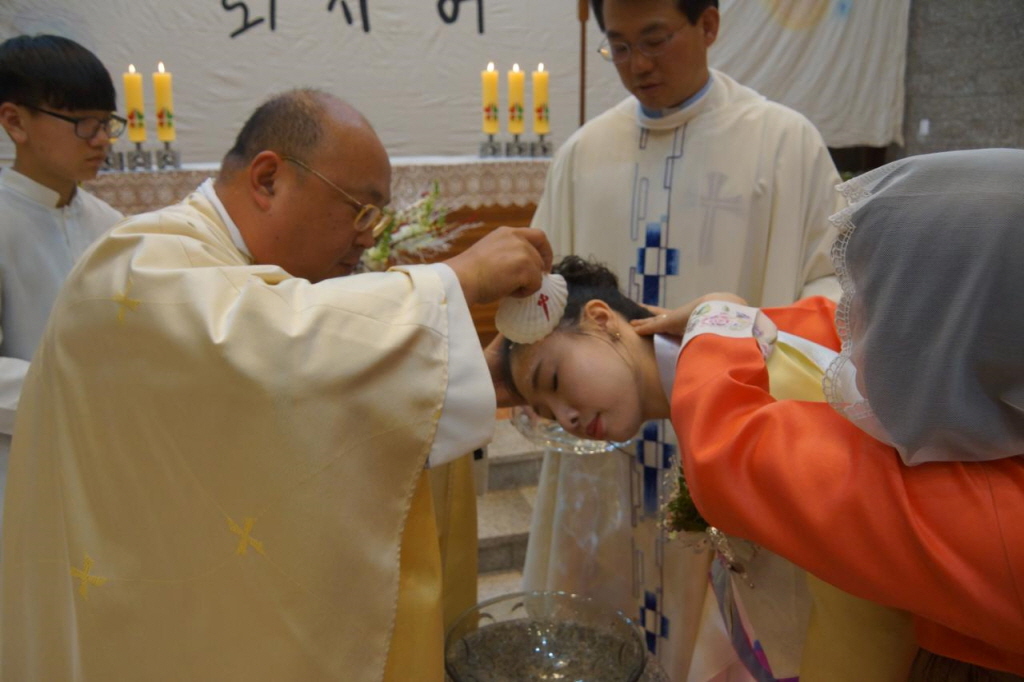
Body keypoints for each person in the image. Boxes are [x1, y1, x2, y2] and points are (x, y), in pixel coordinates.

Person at [0, 88, 552, 682]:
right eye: (359, 209)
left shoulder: (224, 270)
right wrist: (453, 280)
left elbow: (277, 388)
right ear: (268, 179)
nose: (369, 237)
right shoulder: (135, 264)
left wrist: (477, 379)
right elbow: (264, 340)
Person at [503, 149, 1024, 678]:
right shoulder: (980, 423)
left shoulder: (973, 507)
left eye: (554, 382)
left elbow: (730, 460)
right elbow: (829, 325)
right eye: (546, 412)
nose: (565, 418)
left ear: (601, 319)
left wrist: (717, 315)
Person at [524, 0, 845, 677]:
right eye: (618, 45)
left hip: (734, 464)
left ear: (709, 25)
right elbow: (538, 313)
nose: (637, 65)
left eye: (655, 39)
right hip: (606, 472)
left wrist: (732, 332)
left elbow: (840, 300)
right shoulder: (583, 156)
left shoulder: (784, 145)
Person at [0, 34, 125, 532]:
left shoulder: (112, 225)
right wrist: (78, 391)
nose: (101, 139)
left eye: (105, 122)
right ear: (14, 121)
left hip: (103, 461)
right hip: (17, 463)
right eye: (82, 122)